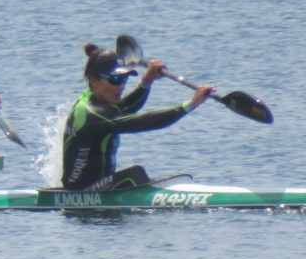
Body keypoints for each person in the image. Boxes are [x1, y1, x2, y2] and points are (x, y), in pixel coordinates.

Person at [61, 43, 213, 190]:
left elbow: (127, 107)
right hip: (83, 191)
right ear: (94, 80)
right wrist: (190, 105)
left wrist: (147, 80)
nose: (121, 86)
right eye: (115, 80)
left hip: (100, 185)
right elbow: (142, 122)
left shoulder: (94, 99)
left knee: (156, 179)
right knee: (134, 174)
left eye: (124, 79)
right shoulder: (93, 114)